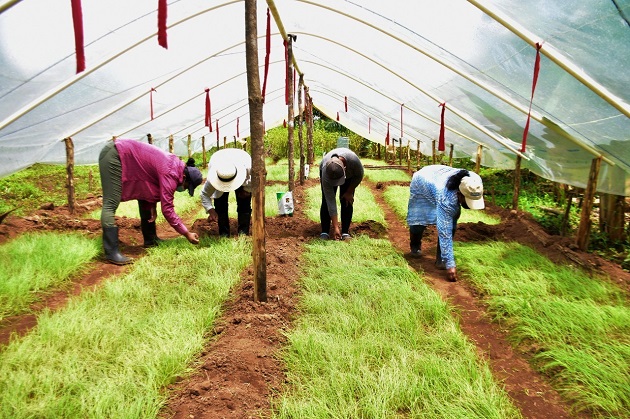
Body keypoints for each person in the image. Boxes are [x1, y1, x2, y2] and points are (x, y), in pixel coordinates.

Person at [98, 139, 203, 265]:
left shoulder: (175, 166)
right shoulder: (171, 172)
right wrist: (187, 234)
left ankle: (150, 239)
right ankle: (111, 252)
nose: (183, 189)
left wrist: (152, 205)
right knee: (110, 202)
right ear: (185, 178)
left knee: (143, 196)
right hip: (115, 155)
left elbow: (149, 181)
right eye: (186, 187)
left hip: (126, 156)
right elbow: (167, 210)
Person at [407, 165, 484, 282]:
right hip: (422, 183)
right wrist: (451, 264)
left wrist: (447, 261)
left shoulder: (474, 183)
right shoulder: (446, 197)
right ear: (459, 194)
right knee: (419, 217)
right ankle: (415, 246)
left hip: (439, 179)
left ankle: (441, 259)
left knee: (452, 220)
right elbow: (444, 231)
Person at [200, 148, 252, 237]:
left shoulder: (248, 167)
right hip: (218, 163)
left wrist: (248, 190)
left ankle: (243, 234)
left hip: (242, 172)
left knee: (244, 204)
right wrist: (210, 210)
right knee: (220, 205)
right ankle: (223, 234)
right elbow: (204, 194)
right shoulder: (213, 177)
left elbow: (256, 181)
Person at [319, 148, 364, 240]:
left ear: (345, 168)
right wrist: (335, 227)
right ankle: (325, 232)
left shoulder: (353, 161)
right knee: (326, 202)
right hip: (327, 175)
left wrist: (349, 191)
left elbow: (359, 175)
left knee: (346, 200)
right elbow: (330, 201)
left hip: (350, 176)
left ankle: (345, 232)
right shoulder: (325, 172)